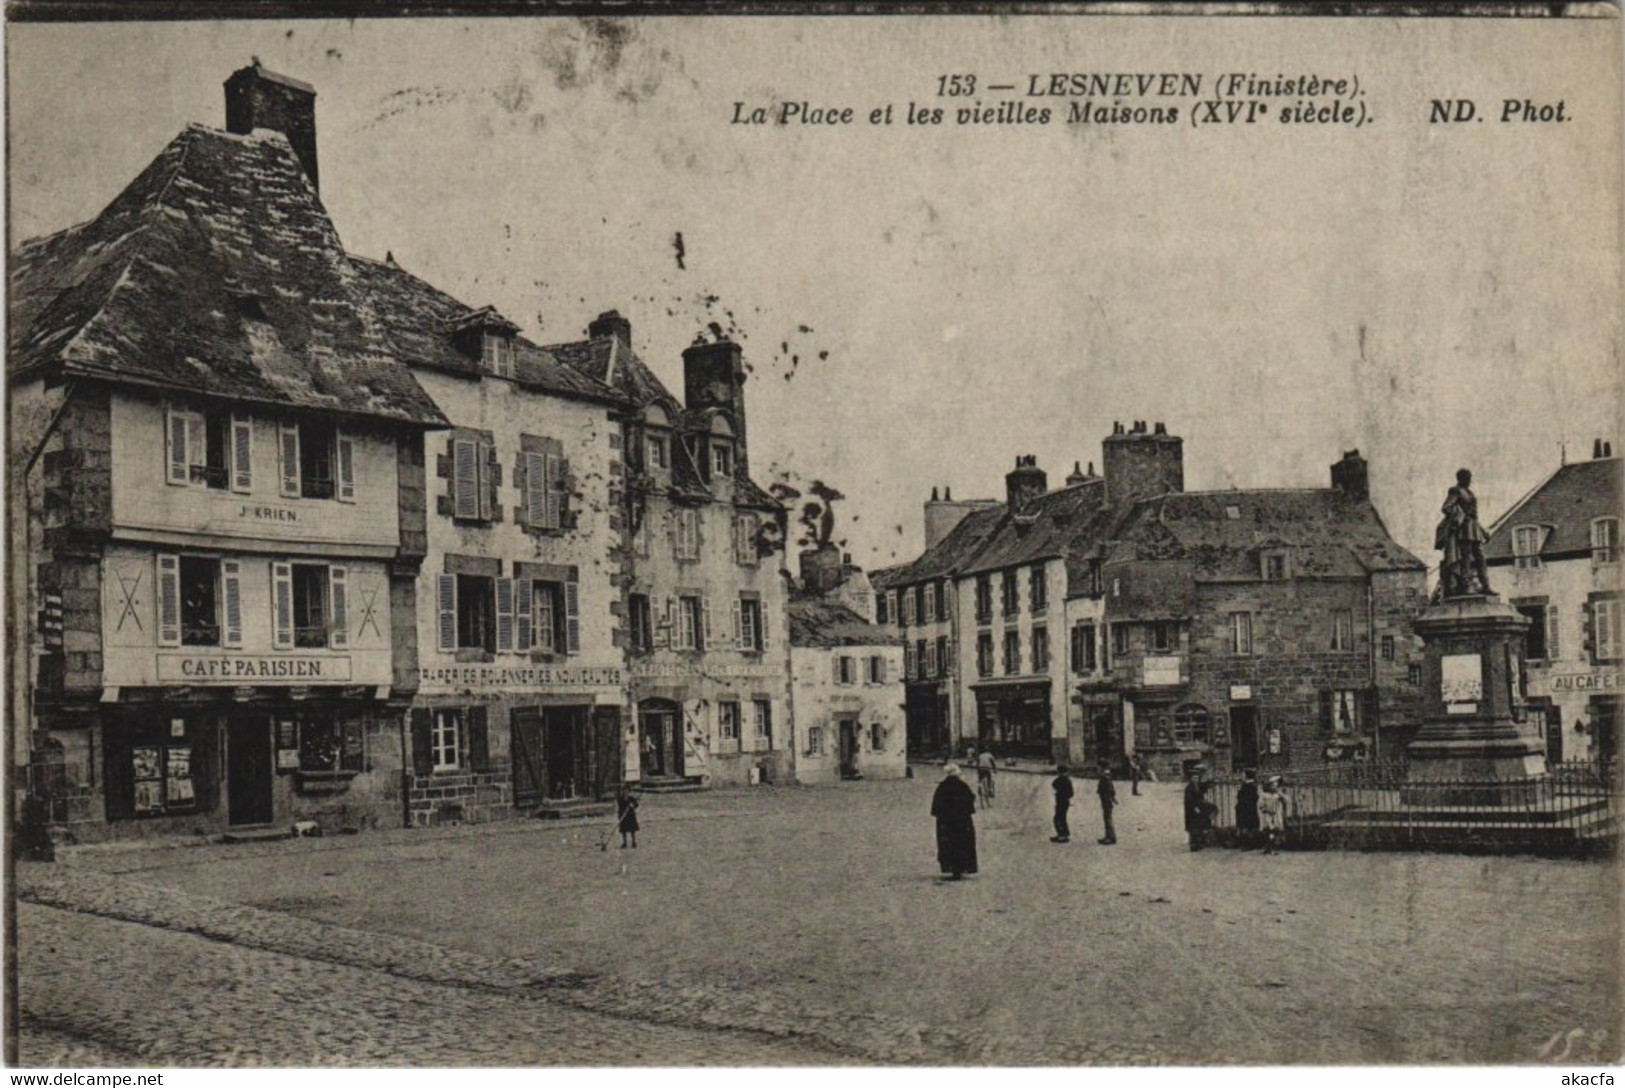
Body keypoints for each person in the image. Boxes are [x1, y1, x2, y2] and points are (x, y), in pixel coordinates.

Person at [1435, 467, 1492, 599]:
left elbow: (1474, 516)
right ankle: (1464, 585)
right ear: (1461, 479)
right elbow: (1446, 508)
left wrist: (1483, 532)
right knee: (1465, 558)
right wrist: (1459, 517)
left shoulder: (1469, 492)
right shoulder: (1456, 491)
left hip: (1474, 528)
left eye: (1469, 478)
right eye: (1467, 478)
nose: (1469, 481)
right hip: (1463, 529)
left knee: (1480, 558)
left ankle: (1486, 585)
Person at [930, 764, 979, 880]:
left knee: (948, 844)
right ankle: (962, 867)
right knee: (963, 843)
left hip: (946, 822)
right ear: (957, 773)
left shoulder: (942, 787)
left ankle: (951, 867)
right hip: (962, 821)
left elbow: (936, 805)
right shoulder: (962, 786)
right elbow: (971, 798)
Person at [1184, 769, 1215, 852]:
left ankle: (1199, 843)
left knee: (1199, 826)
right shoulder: (1189, 788)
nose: (1195, 779)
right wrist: (1194, 808)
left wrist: (1209, 780)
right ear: (1191, 779)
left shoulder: (1198, 785)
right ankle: (1193, 845)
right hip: (1192, 811)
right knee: (1193, 828)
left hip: (1199, 808)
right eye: (1194, 778)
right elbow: (1189, 800)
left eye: (1197, 778)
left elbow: (1204, 787)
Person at [1258, 776, 1289, 855]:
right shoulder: (1264, 795)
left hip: (1275, 815)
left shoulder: (1277, 795)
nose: (1274, 787)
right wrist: (1265, 809)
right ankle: (1267, 847)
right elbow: (1261, 805)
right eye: (1272, 785)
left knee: (1274, 831)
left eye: (1276, 785)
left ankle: (1272, 848)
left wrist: (1280, 794)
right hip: (1267, 815)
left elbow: (1285, 801)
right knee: (1267, 831)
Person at [1235, 770, 1260, 849]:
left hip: (1246, 809)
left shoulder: (1248, 786)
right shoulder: (1249, 786)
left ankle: (1248, 844)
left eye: (1243, 774)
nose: (1241, 776)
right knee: (1248, 826)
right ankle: (1249, 843)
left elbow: (1243, 798)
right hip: (1247, 808)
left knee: (1247, 826)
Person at [1050, 765, 1074, 843]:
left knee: (1059, 818)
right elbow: (1054, 784)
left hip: (1063, 801)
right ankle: (1062, 834)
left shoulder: (1066, 781)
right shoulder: (1063, 780)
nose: (1060, 774)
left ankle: (1063, 835)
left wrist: (1062, 794)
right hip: (1061, 801)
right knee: (1060, 818)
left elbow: (1071, 793)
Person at [1097, 766, 1118, 844]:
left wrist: (1110, 797)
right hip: (1106, 799)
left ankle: (1110, 837)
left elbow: (1109, 789)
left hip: (1106, 799)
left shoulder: (1105, 776)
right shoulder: (1107, 775)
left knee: (1108, 818)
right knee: (1107, 818)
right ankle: (1108, 836)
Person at [616, 784, 640, 849]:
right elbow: (620, 805)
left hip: (630, 816)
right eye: (624, 791)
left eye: (627, 791)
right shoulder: (620, 799)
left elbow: (636, 804)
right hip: (623, 816)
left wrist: (633, 806)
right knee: (624, 830)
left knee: (632, 830)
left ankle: (633, 842)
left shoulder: (631, 798)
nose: (625, 792)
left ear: (629, 791)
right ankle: (624, 843)